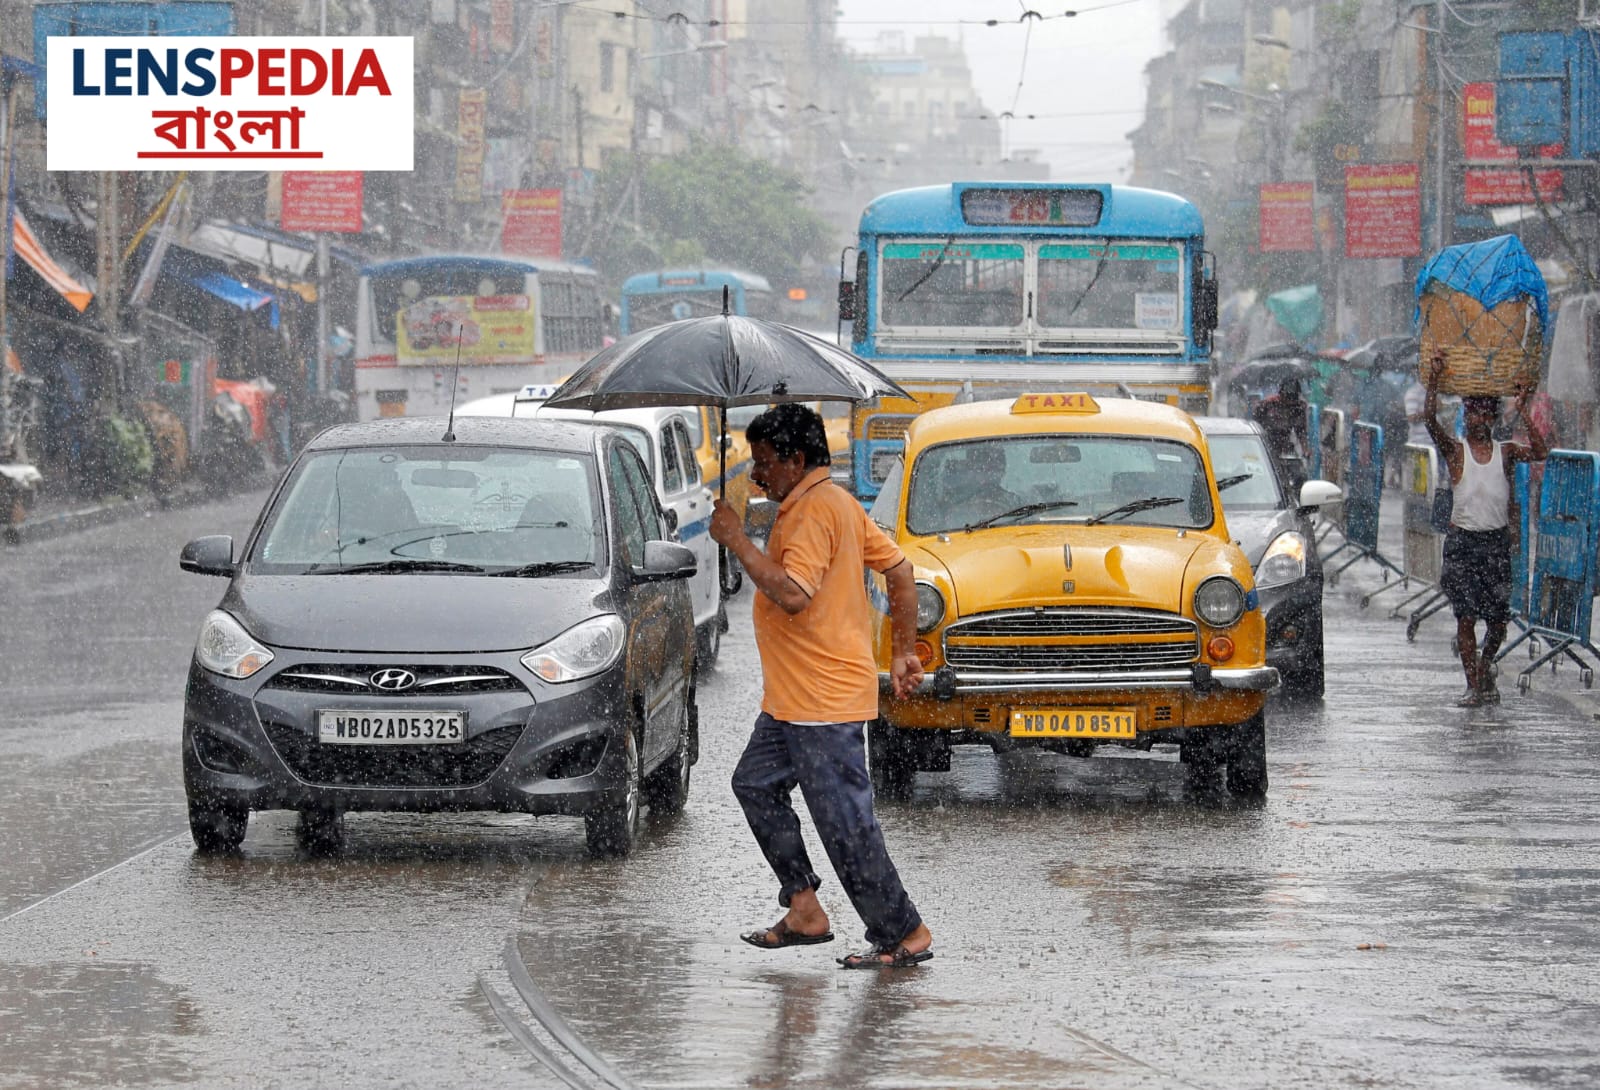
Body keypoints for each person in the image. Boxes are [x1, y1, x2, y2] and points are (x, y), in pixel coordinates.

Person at [709, 403, 934, 970]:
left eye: (764, 463)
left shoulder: (813, 512)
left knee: (845, 823)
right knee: (755, 785)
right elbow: (902, 571)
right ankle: (805, 908)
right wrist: (903, 651)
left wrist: (738, 540)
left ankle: (902, 932)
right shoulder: (833, 502)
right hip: (791, 702)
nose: (757, 475)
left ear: (796, 459)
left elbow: (792, 594)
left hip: (821, 702)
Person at [1424, 355, 1548, 707]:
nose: (1478, 420)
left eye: (1484, 414)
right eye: (1472, 413)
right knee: (1465, 617)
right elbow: (1431, 420)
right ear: (1466, 416)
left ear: (1493, 419)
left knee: (1497, 621)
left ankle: (1485, 662)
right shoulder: (1455, 451)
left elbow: (1540, 451)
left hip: (1495, 544)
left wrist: (1523, 409)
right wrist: (1434, 380)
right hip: (1463, 543)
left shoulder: (1506, 452)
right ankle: (1472, 684)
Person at [1251, 377, 1310, 484]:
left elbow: (1301, 432)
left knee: (1300, 476)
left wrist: (1305, 450)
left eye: (1293, 399)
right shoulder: (1267, 405)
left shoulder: (1299, 407)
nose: (1289, 403)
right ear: (1281, 394)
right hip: (1267, 443)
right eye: (1287, 399)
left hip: (1286, 446)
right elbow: (1255, 424)